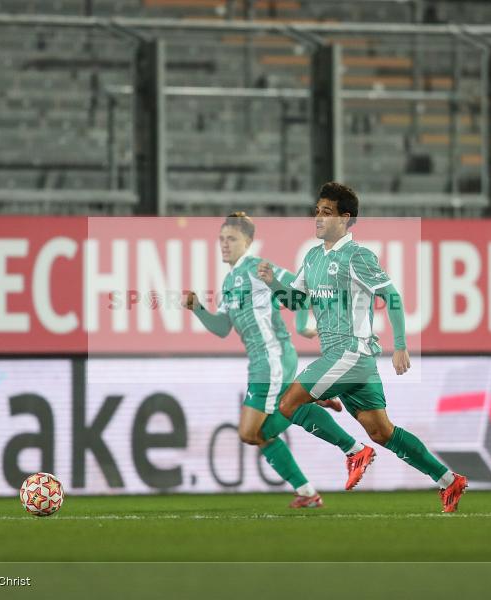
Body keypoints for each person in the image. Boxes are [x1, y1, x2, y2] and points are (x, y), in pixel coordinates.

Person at [257, 183, 468, 513]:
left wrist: (400, 346)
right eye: (317, 211)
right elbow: (295, 300)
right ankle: (447, 480)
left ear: (345, 218)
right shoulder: (312, 257)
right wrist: (272, 282)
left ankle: (351, 450)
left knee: (288, 403)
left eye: (326, 213)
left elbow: (392, 297)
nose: (318, 218)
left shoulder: (358, 256)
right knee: (383, 433)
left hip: (350, 353)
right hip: (348, 361)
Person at [184, 212, 375, 508]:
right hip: (262, 362)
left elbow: (303, 290)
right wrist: (197, 308)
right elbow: (222, 328)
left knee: (251, 432)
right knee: (263, 431)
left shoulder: (256, 268)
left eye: (231, 238)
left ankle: (345, 444)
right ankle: (310, 488)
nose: (224, 244)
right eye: (221, 239)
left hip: (273, 358)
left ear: (248, 241)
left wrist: (303, 325)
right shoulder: (230, 281)